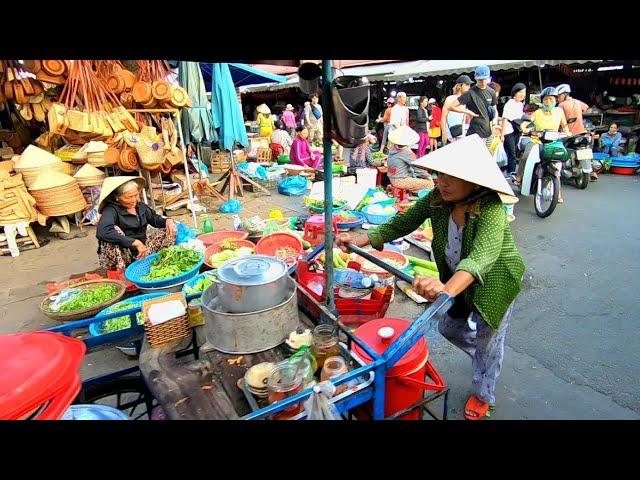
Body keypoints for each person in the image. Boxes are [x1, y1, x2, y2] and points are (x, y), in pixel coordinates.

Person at [336, 134, 525, 420]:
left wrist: (445, 288)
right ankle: (487, 358)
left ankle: (484, 393)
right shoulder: (437, 200)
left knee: (490, 339)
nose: (442, 182)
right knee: (450, 328)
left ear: (473, 180)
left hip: (495, 283)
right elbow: (404, 221)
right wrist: (366, 237)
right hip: (458, 281)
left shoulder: (491, 209)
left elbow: (480, 258)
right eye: (440, 175)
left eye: (451, 177)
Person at [96, 176, 176, 271]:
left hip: (143, 247)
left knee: (169, 228)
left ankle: (158, 260)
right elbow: (103, 231)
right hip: (124, 251)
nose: (134, 200)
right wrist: (134, 242)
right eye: (129, 197)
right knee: (113, 232)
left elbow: (155, 219)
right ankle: (122, 270)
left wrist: (168, 220)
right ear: (117, 197)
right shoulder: (111, 210)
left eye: (136, 195)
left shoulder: (140, 206)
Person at [515, 86, 570, 202]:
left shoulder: (559, 112)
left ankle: (558, 193)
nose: (548, 102)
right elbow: (526, 122)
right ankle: (519, 177)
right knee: (526, 156)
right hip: (537, 141)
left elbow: (564, 125)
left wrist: (567, 132)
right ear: (542, 100)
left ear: (555, 100)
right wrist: (524, 127)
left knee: (558, 165)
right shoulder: (537, 112)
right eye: (546, 99)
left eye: (551, 99)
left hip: (553, 142)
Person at [446, 65, 499, 145]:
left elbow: (495, 109)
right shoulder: (470, 93)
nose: (483, 82)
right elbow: (451, 106)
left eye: (485, 79)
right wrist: (468, 112)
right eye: (480, 80)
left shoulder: (491, 92)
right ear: (476, 78)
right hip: (475, 132)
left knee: (488, 155)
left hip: (489, 131)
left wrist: (495, 124)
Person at [386, 125, 434, 193]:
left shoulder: (392, 148)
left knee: (418, 179)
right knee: (430, 184)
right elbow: (417, 167)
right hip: (401, 180)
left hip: (392, 178)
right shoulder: (406, 151)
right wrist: (428, 176)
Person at [501, 83, 527, 175]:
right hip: (508, 131)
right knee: (511, 152)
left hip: (517, 130)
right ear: (514, 93)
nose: (522, 94)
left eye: (524, 92)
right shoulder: (510, 103)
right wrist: (502, 134)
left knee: (513, 151)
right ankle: (511, 172)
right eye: (520, 92)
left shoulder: (520, 105)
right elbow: (505, 119)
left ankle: (508, 171)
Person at [441, 75, 473, 144]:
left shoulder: (468, 99)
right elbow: (443, 117)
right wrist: (443, 132)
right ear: (459, 86)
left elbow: (469, 118)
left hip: (464, 132)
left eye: (469, 85)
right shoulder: (450, 99)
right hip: (450, 133)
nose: (469, 87)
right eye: (467, 85)